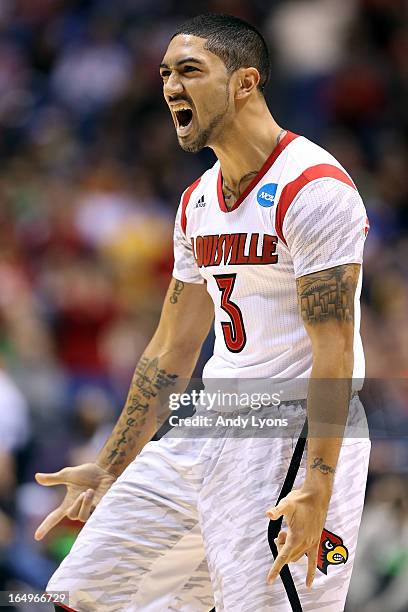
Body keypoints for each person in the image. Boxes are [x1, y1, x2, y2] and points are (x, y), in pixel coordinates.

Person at [35, 14, 370, 612]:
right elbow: (171, 347)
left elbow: (335, 351)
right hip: (209, 422)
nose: (169, 86)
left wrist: (317, 485)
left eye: (189, 70)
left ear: (245, 82)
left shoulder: (314, 189)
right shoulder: (196, 203)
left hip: (288, 431)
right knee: (82, 594)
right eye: (165, 73)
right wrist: (113, 464)